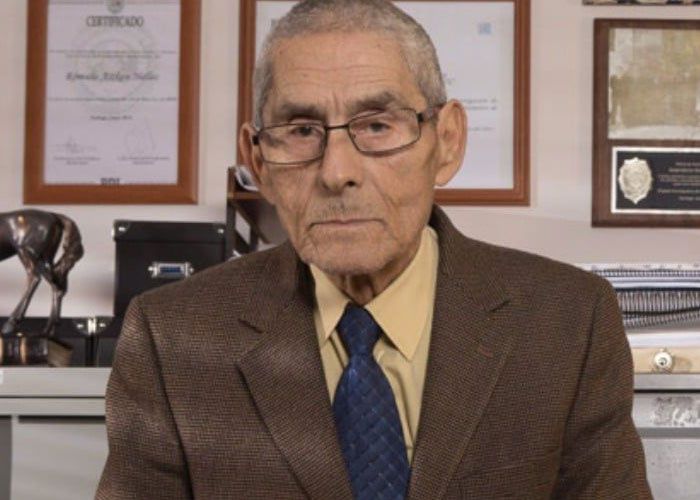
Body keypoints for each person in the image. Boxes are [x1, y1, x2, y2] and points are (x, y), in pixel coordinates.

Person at [96, 1, 652, 499]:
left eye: (379, 125)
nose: (337, 172)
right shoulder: (173, 338)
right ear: (258, 161)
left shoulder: (568, 322)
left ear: (447, 141)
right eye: (301, 130)